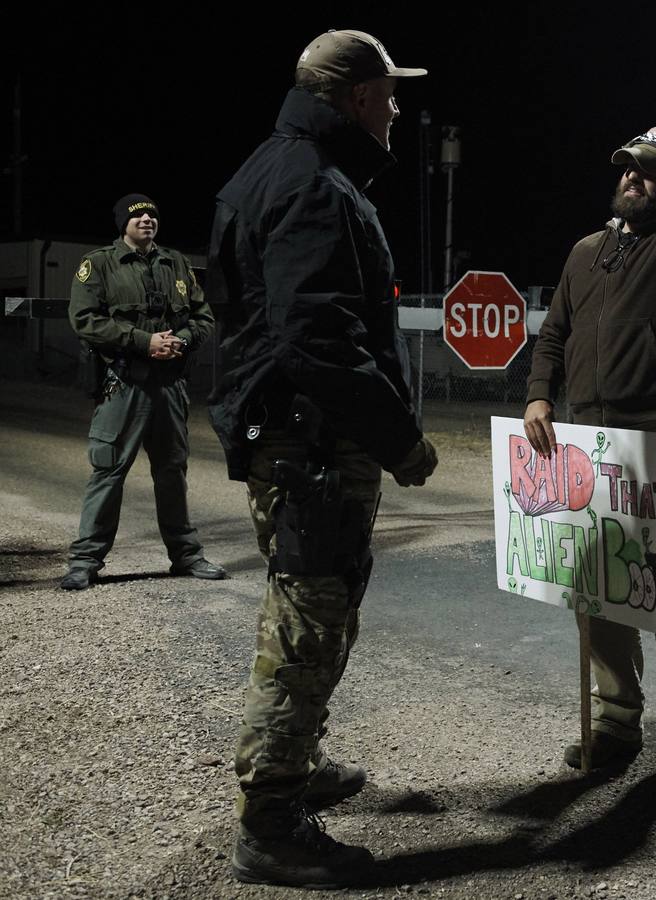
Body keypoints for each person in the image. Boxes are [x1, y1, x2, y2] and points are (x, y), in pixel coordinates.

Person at [206, 30, 439, 887]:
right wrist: (397, 438)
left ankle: (293, 770)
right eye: (387, 92)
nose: (397, 109)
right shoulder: (310, 183)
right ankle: (270, 820)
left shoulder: (269, 170)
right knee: (307, 628)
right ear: (350, 96)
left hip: (290, 435)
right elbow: (315, 337)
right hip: (309, 443)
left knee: (317, 612)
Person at [522, 123, 656, 785]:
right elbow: (553, 333)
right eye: (626, 170)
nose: (631, 179)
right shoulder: (586, 251)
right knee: (599, 590)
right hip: (583, 440)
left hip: (652, 437)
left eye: (647, 170)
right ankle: (617, 720)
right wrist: (538, 395)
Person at [60, 194, 225, 591]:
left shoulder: (177, 263)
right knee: (109, 470)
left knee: (172, 471)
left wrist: (181, 341)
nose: (147, 219)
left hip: (169, 385)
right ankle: (85, 561)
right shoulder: (98, 264)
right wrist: (143, 341)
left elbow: (203, 317)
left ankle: (185, 556)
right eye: (138, 216)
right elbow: (84, 320)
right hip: (124, 384)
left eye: (152, 214)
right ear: (123, 224)